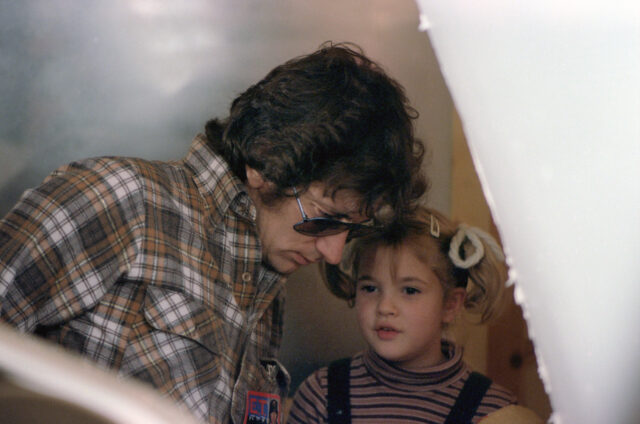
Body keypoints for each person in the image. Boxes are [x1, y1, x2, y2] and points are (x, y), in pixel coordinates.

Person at [0, 42, 427, 424]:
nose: (333, 254)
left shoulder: (266, 284)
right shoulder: (120, 198)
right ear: (264, 164)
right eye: (323, 218)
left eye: (349, 231)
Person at [288, 206, 518, 424]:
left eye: (410, 290)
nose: (385, 307)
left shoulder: (494, 411)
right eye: (370, 288)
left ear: (450, 305)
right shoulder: (321, 394)